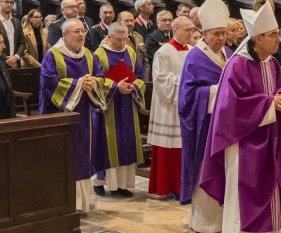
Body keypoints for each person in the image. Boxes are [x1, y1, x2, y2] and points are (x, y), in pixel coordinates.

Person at [198, 1, 281, 233]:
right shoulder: (237, 65)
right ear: (258, 38)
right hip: (243, 145)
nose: (279, 39)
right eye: (274, 35)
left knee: (271, 193)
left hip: (270, 143)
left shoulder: (272, 63)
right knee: (245, 200)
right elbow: (229, 108)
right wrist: (269, 103)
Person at [40, 18, 108, 212]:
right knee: (63, 157)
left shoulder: (88, 55)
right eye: (76, 32)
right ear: (64, 35)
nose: (81, 35)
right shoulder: (53, 56)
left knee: (82, 156)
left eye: (83, 31)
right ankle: (60, 202)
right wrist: (80, 84)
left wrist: (92, 83)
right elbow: (49, 84)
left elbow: (100, 77)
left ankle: (81, 204)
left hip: (83, 117)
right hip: (59, 117)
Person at [178, 0, 233, 233]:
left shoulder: (229, 54)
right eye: (215, 34)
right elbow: (186, 97)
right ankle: (204, 222)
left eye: (223, 33)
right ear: (204, 33)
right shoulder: (195, 57)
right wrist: (215, 91)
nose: (220, 39)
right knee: (205, 170)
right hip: (203, 125)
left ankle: (224, 220)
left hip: (225, 125)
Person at [91, 22, 146, 197]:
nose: (122, 43)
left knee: (126, 143)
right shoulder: (99, 54)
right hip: (107, 108)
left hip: (127, 106)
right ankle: (99, 182)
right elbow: (96, 79)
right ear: (109, 37)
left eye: (125, 39)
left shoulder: (130, 51)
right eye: (118, 39)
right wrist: (115, 86)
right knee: (106, 144)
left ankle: (122, 185)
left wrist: (133, 85)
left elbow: (140, 76)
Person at [148, 15, 194, 198]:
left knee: (184, 146)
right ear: (176, 30)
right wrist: (186, 83)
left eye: (192, 29)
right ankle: (166, 187)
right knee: (169, 148)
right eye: (187, 29)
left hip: (187, 103)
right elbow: (161, 80)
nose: (191, 32)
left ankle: (182, 186)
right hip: (169, 106)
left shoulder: (192, 50)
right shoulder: (164, 52)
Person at [0, 0, 25, 67]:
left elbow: (22, 42)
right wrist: (6, 59)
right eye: (6, 2)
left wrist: (16, 57)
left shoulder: (16, 22)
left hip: (16, 64)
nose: (9, 4)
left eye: (11, 2)